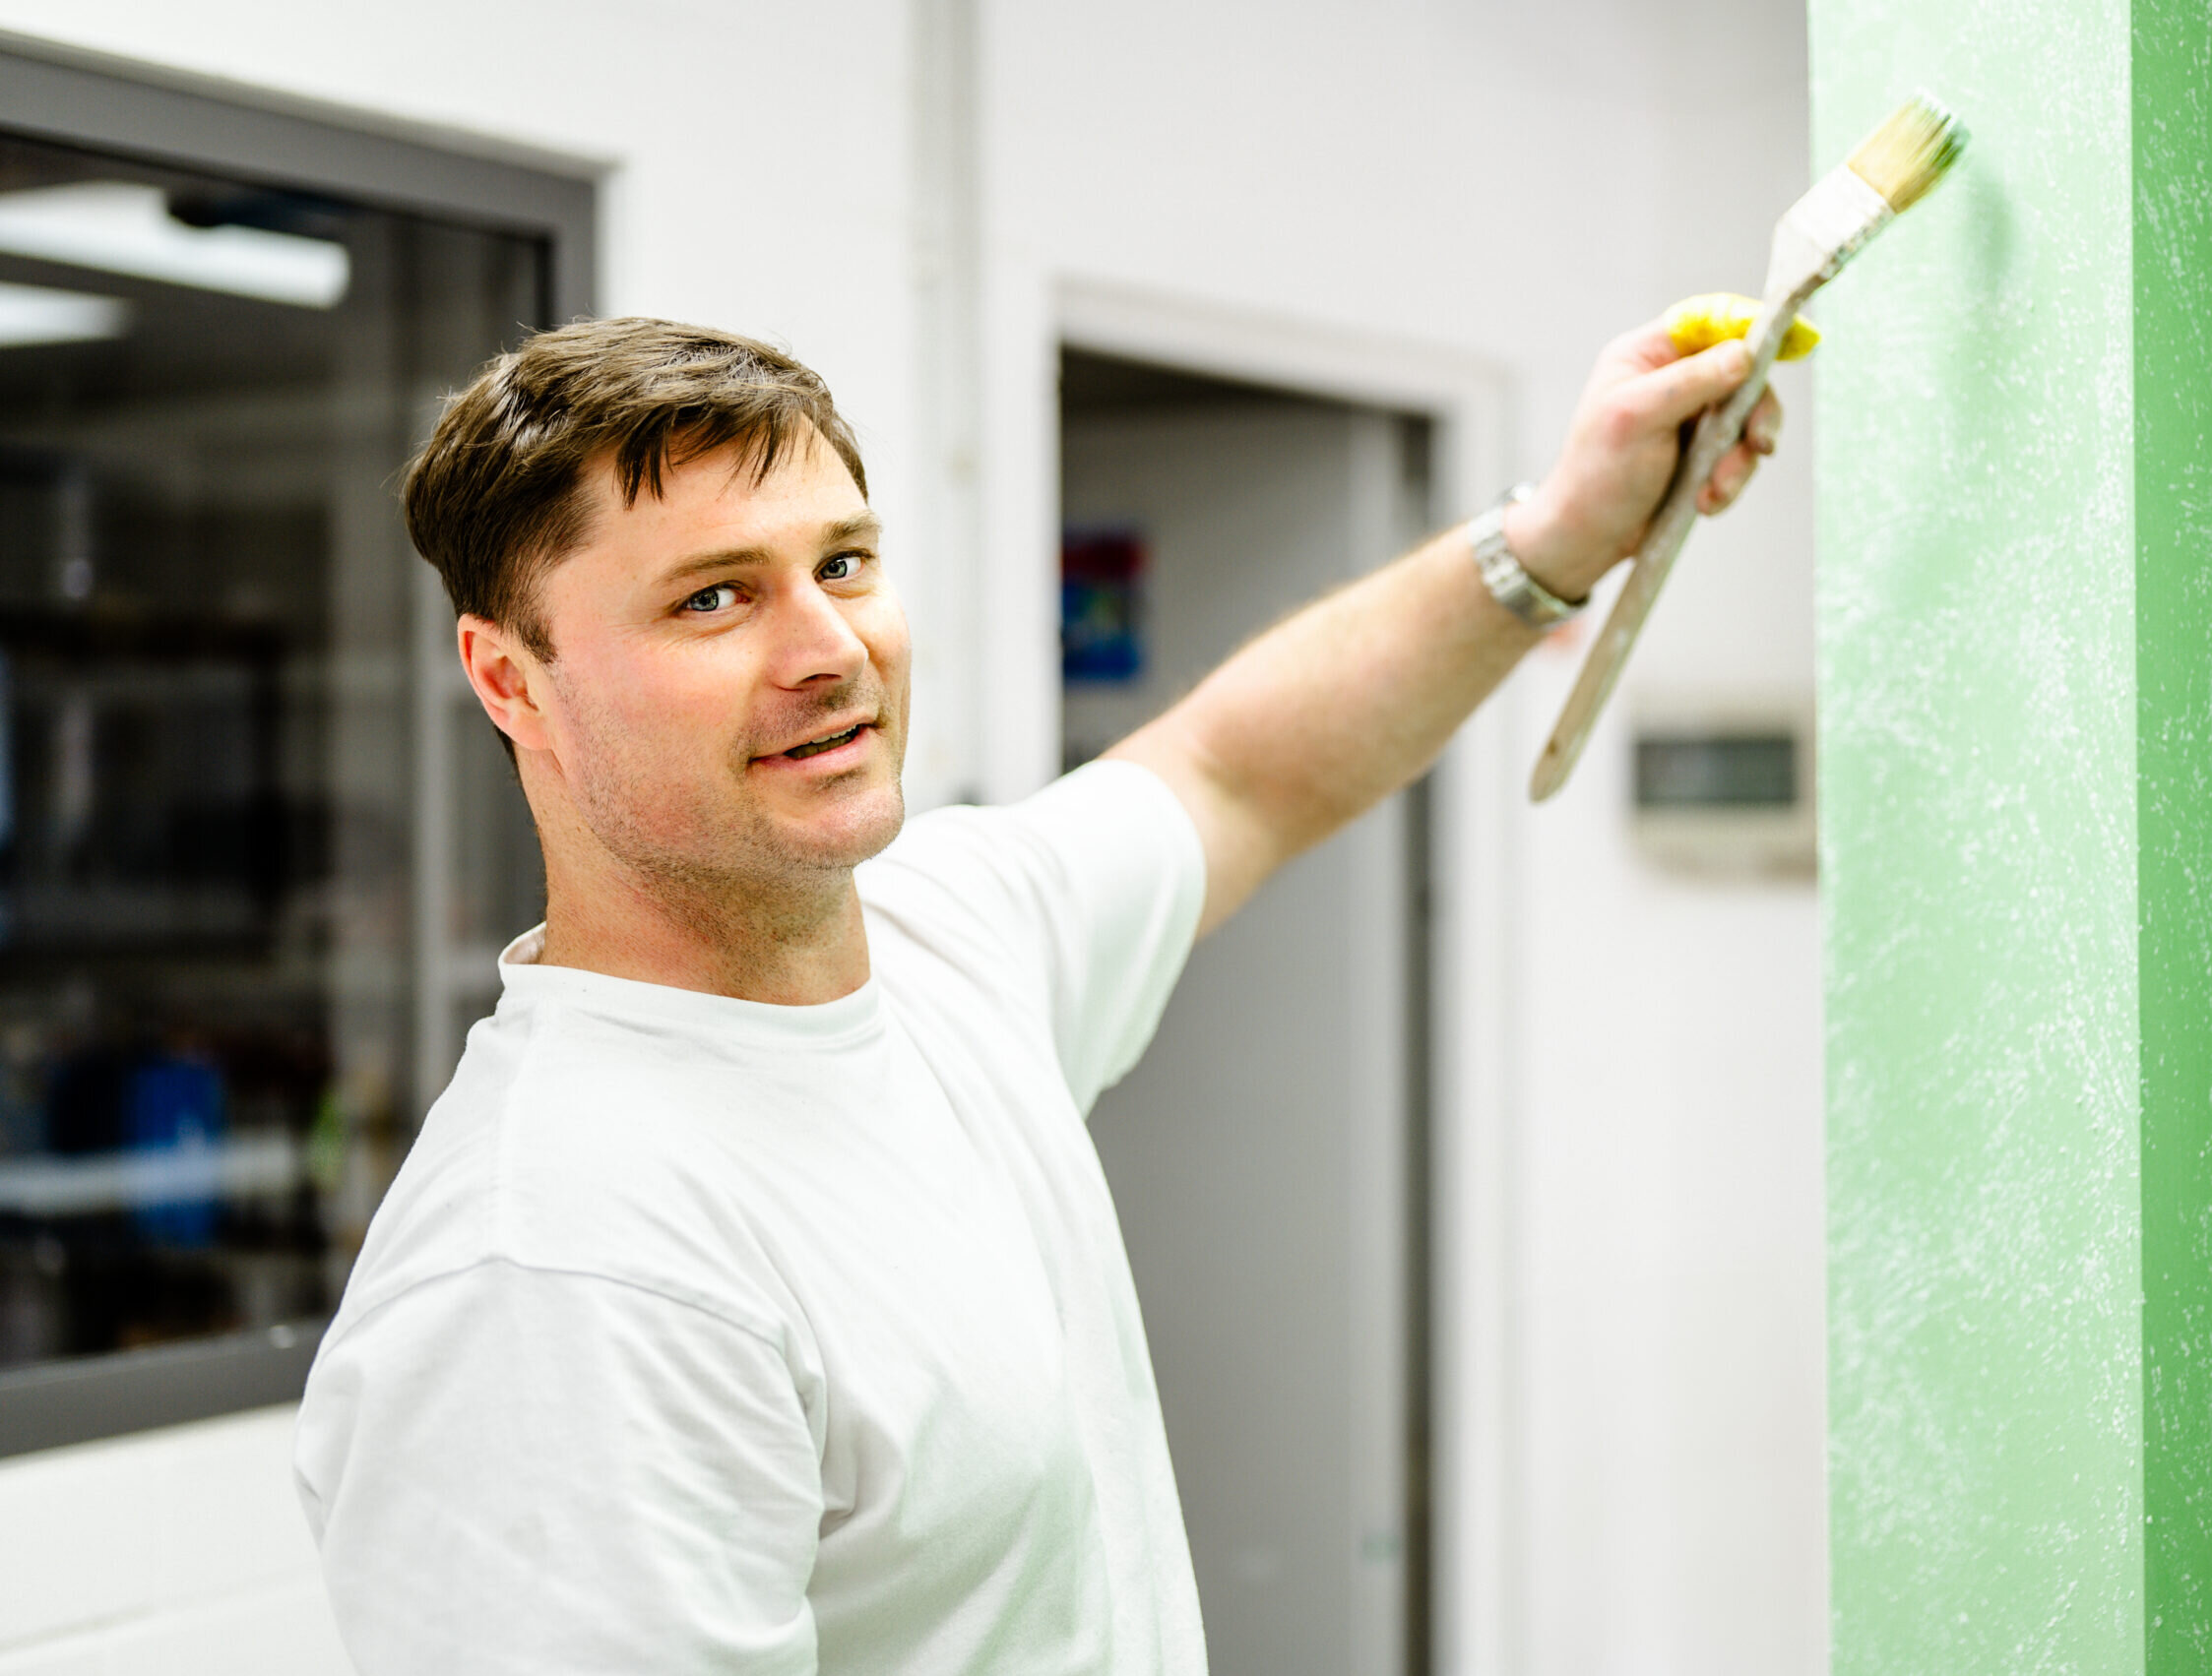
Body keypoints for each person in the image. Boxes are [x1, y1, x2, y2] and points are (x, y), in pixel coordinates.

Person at [292, 313, 1781, 1673]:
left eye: (845, 563)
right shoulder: (562, 1273)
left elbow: (1236, 767)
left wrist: (1563, 535)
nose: (828, 650)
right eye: (712, 599)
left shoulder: (944, 947)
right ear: (512, 683)